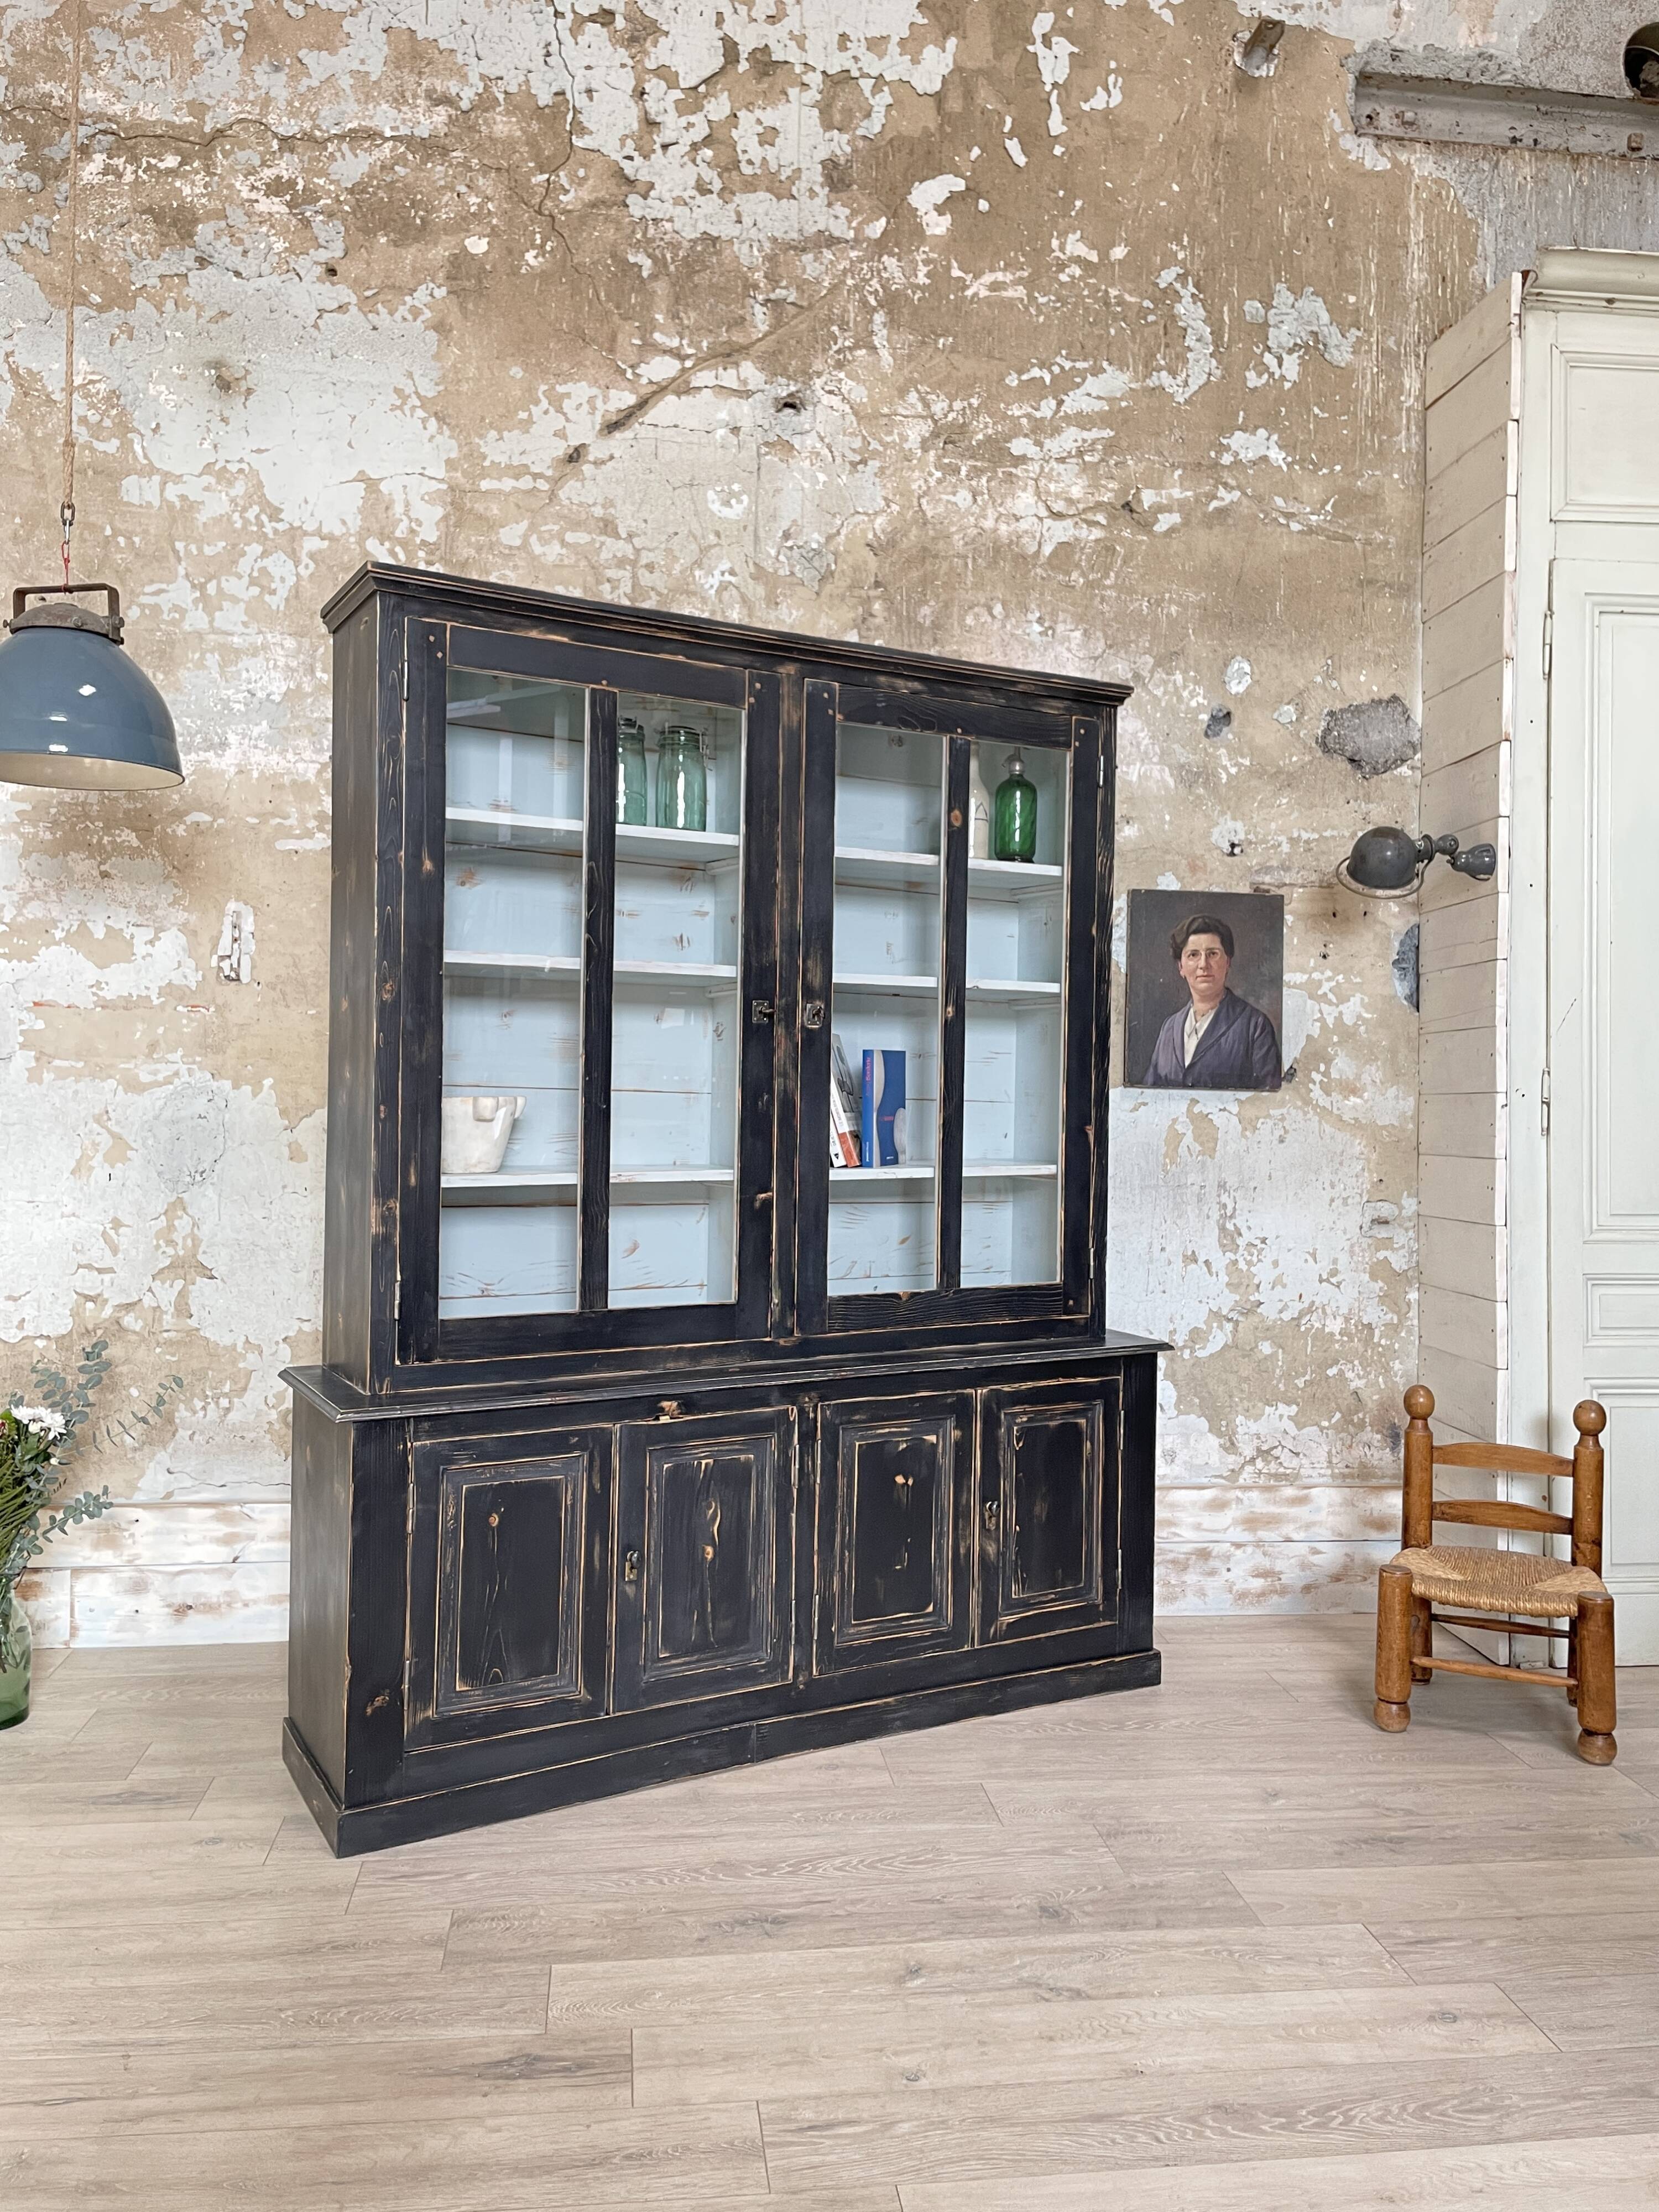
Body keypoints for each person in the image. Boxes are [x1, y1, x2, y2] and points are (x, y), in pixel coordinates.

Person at [1142, 912, 1281, 1089]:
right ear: (1181, 967)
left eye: (1213, 954)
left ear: (1228, 962)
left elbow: (1268, 1101)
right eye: (1193, 955)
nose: (1203, 965)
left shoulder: (1255, 1026)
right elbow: (1147, 1095)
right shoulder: (1169, 1028)